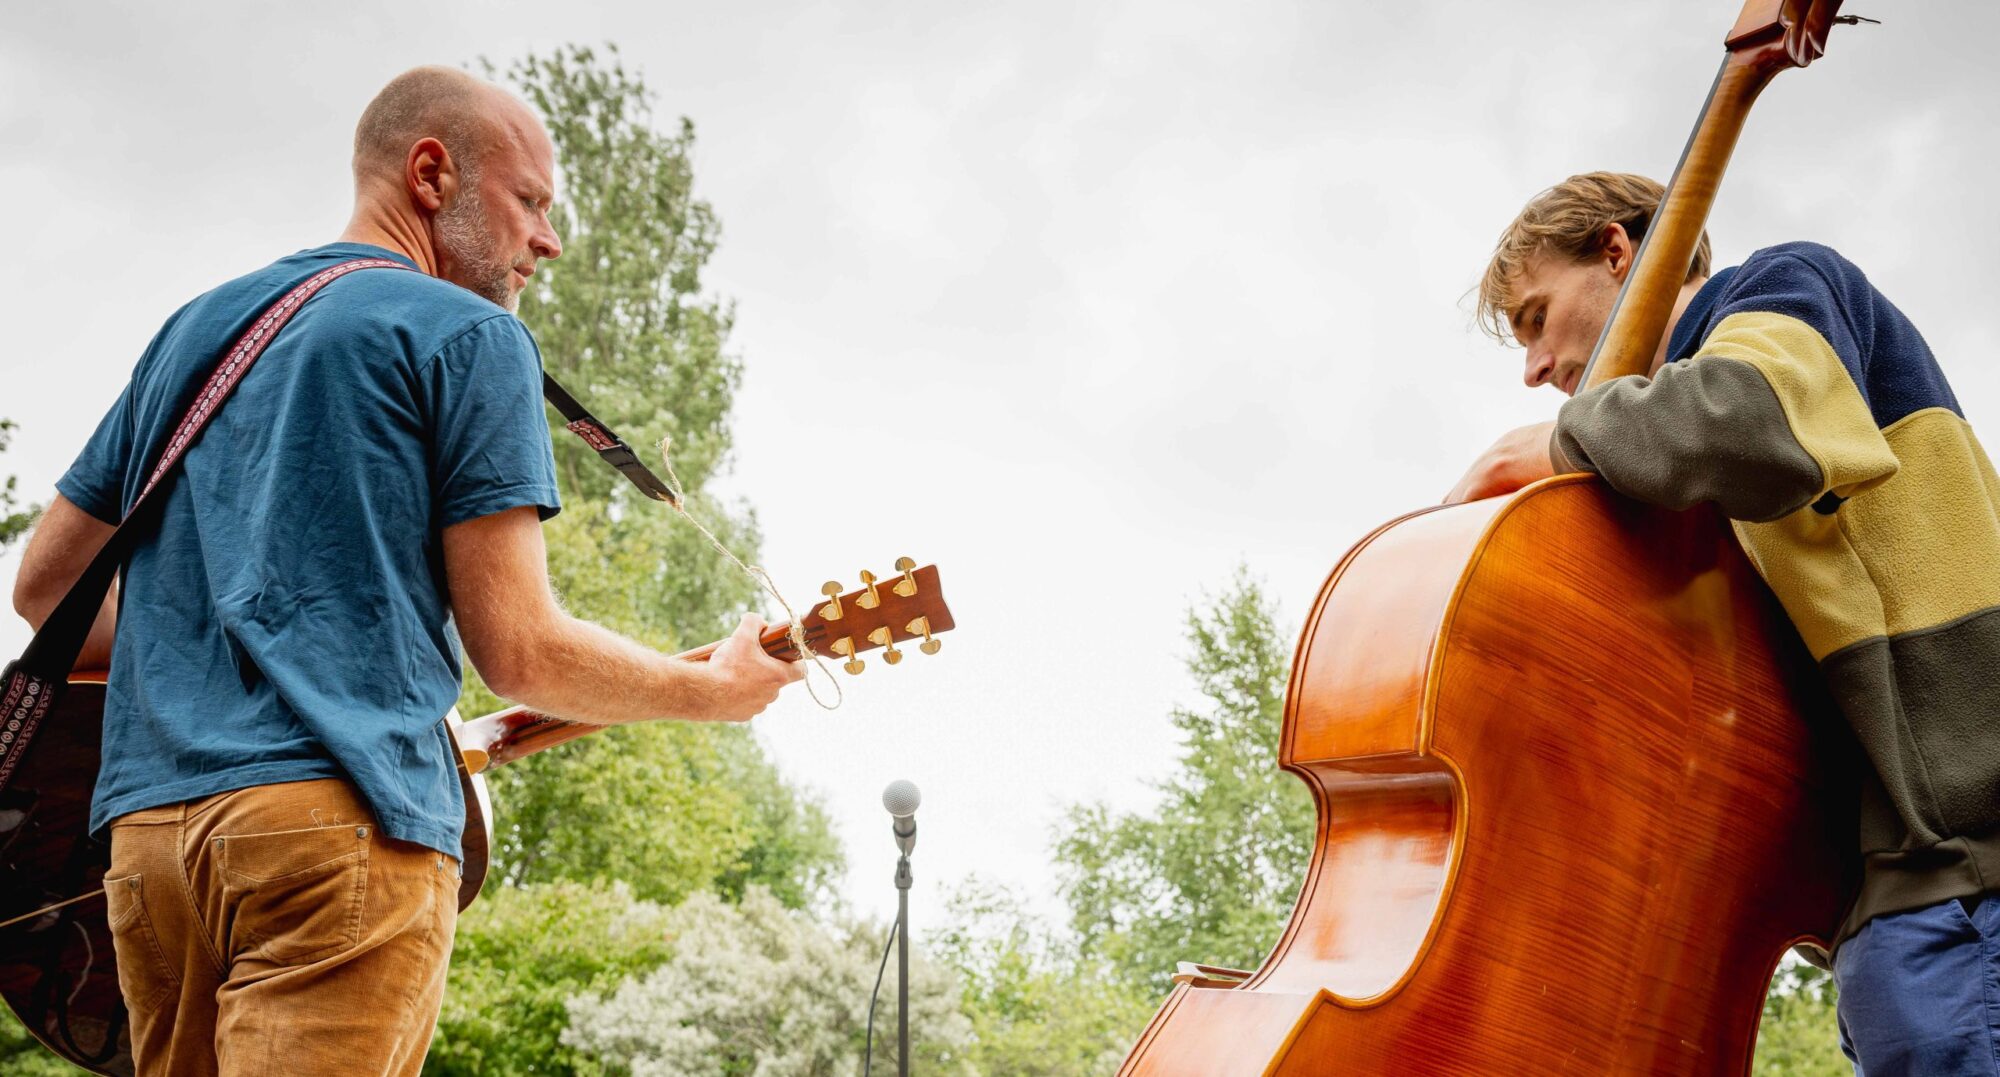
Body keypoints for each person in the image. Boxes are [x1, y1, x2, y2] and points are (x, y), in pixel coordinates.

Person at [9, 66, 802, 1075]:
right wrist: (710, 692)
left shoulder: (197, 329)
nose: (547, 242)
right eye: (531, 202)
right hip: (331, 834)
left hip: (148, 847)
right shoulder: (468, 336)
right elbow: (520, 652)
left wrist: (204, 648)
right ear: (432, 173)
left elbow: (45, 587)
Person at [1448, 171, 2000, 1075]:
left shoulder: (1777, 287)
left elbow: (1759, 419)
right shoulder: (1688, 490)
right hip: (1903, 907)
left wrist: (1552, 444)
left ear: (1617, 251)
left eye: (1537, 317)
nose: (1534, 368)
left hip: (1962, 884)